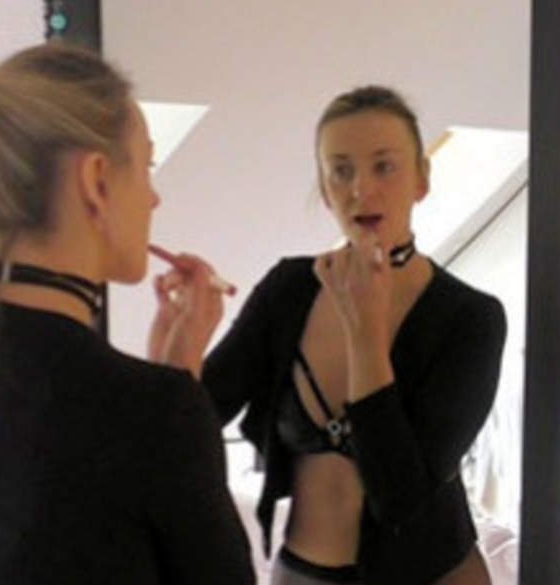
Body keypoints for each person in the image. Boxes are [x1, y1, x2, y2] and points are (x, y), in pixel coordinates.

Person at [0, 43, 254, 585]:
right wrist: (177, 385)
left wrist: (171, 380)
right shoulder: (154, 410)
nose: (154, 199)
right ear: (97, 182)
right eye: (147, 166)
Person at [194, 86, 507, 585]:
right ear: (324, 187)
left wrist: (365, 337)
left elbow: (401, 497)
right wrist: (185, 335)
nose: (362, 188)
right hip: (302, 572)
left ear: (421, 179)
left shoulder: (470, 318)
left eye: (384, 166)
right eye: (341, 170)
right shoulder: (288, 291)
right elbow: (194, 419)